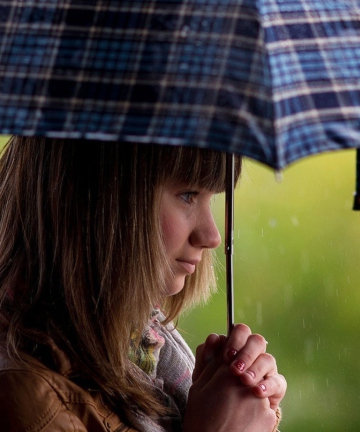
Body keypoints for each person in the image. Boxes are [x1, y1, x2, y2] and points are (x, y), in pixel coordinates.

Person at [0, 137, 286, 432]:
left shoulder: (146, 352)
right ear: (102, 198)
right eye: (188, 195)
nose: (212, 236)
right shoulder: (27, 405)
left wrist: (249, 412)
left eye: (210, 198)